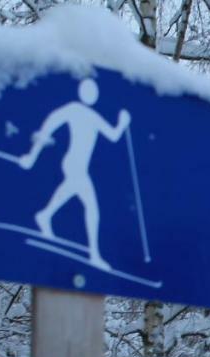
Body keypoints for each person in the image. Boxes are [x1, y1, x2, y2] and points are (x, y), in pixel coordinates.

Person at [19, 78, 129, 271]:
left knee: (71, 193)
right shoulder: (73, 109)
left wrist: (122, 123)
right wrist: (32, 155)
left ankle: (45, 215)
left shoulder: (93, 116)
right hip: (73, 164)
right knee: (91, 207)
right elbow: (48, 126)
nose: (91, 95)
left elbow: (113, 135)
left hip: (80, 167)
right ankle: (94, 254)